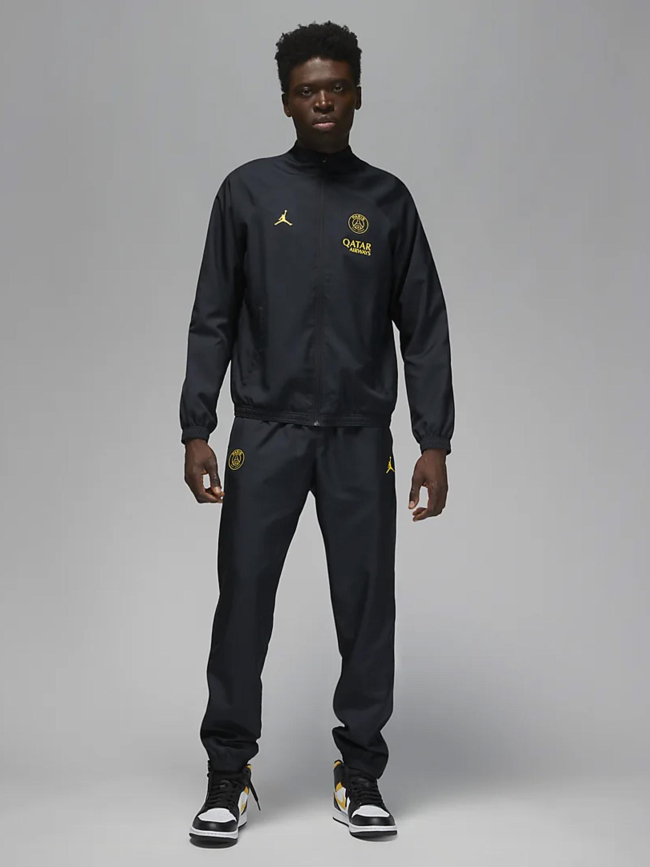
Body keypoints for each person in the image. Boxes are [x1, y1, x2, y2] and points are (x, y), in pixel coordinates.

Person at [179, 20, 454, 845]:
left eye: (336, 87)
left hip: (359, 437)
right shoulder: (247, 192)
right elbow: (212, 315)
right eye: (308, 90)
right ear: (286, 101)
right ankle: (228, 774)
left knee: (367, 608)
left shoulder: (389, 201)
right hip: (264, 431)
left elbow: (424, 325)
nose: (323, 101)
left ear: (358, 94)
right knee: (243, 603)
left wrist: (433, 440)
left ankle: (360, 774)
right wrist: (197, 426)